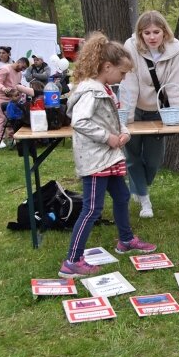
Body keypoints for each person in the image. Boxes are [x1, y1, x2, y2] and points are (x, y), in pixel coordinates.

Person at [58, 32, 157, 279]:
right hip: (95, 161)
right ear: (107, 67)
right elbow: (80, 121)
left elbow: (115, 118)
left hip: (109, 157)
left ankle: (125, 240)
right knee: (92, 208)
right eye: (121, 74)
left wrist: (123, 132)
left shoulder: (105, 89)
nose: (122, 78)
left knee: (122, 196)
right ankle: (72, 261)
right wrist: (108, 137)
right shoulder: (90, 92)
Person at [120, 10, 179, 219]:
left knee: (153, 160)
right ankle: (145, 200)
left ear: (164, 32)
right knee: (132, 157)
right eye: (146, 32)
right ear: (139, 34)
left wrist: (176, 112)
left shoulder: (175, 49)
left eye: (156, 32)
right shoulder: (130, 47)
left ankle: (139, 185)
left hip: (159, 110)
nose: (151, 37)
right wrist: (128, 118)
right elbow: (129, 83)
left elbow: (177, 83)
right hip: (134, 108)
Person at [0, 57, 33, 148]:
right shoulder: (5, 69)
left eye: (24, 69)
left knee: (12, 118)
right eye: (22, 67)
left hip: (12, 98)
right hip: (1, 96)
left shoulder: (19, 73)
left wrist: (20, 88)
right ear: (19, 62)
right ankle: (0, 139)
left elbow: (16, 84)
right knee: (2, 117)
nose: (22, 70)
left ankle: (12, 138)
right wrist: (4, 89)